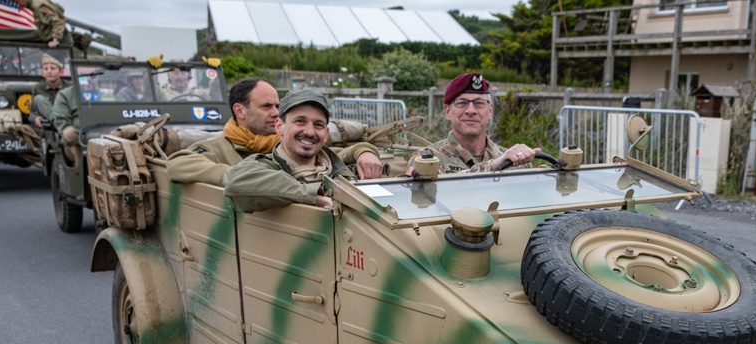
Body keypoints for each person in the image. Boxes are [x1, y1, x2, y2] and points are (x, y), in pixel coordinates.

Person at [223, 88, 383, 212]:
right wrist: (312, 195)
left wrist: (365, 151)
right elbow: (235, 182)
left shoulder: (338, 168)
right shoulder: (265, 167)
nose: (309, 131)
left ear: (326, 133)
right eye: (300, 121)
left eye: (318, 125)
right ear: (279, 126)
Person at [411, 72, 540, 174]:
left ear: (490, 111)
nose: (471, 111)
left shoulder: (515, 161)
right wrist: (493, 166)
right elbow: (434, 192)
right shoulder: (425, 159)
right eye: (462, 103)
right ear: (448, 111)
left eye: (479, 103)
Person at [167, 77, 282, 186]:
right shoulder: (217, 148)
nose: (276, 113)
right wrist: (233, 175)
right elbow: (177, 165)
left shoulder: (286, 145)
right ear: (240, 111)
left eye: (277, 106)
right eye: (266, 106)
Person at [29, 53, 64, 129]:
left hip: (67, 119)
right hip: (50, 124)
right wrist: (35, 118)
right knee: (38, 99)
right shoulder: (38, 88)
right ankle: (60, 124)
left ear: (61, 72)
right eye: (46, 69)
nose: (49, 71)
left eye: (52, 68)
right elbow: (32, 112)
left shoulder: (69, 86)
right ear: (42, 73)